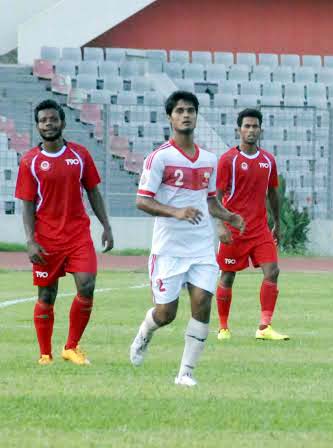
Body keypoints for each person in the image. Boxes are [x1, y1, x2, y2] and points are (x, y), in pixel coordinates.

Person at [129, 91, 245, 386]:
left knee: (203, 302)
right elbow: (142, 200)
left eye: (191, 110)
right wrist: (176, 212)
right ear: (170, 117)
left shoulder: (208, 159)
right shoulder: (159, 158)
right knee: (166, 313)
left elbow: (210, 201)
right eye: (180, 110)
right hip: (168, 249)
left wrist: (228, 217)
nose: (186, 115)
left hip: (201, 247)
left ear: (196, 116)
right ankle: (145, 332)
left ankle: (185, 373)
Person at [14, 99, 113, 366]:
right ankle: (45, 354)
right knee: (47, 296)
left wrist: (106, 225)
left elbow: (93, 191)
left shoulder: (80, 155)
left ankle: (71, 347)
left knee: (87, 285)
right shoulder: (30, 162)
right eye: (43, 120)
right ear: (38, 126)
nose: (49, 124)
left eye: (53, 119)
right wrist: (31, 240)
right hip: (46, 239)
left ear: (63, 122)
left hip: (78, 235)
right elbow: (27, 203)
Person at [214, 108, 289, 341]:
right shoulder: (228, 160)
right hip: (235, 230)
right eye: (246, 126)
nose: (251, 130)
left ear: (261, 130)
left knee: (272, 271)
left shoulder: (268, 161)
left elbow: (273, 193)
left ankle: (264, 327)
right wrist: (221, 225)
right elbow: (215, 197)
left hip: (260, 230)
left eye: (255, 126)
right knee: (227, 276)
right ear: (238, 130)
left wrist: (277, 222)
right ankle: (223, 327)